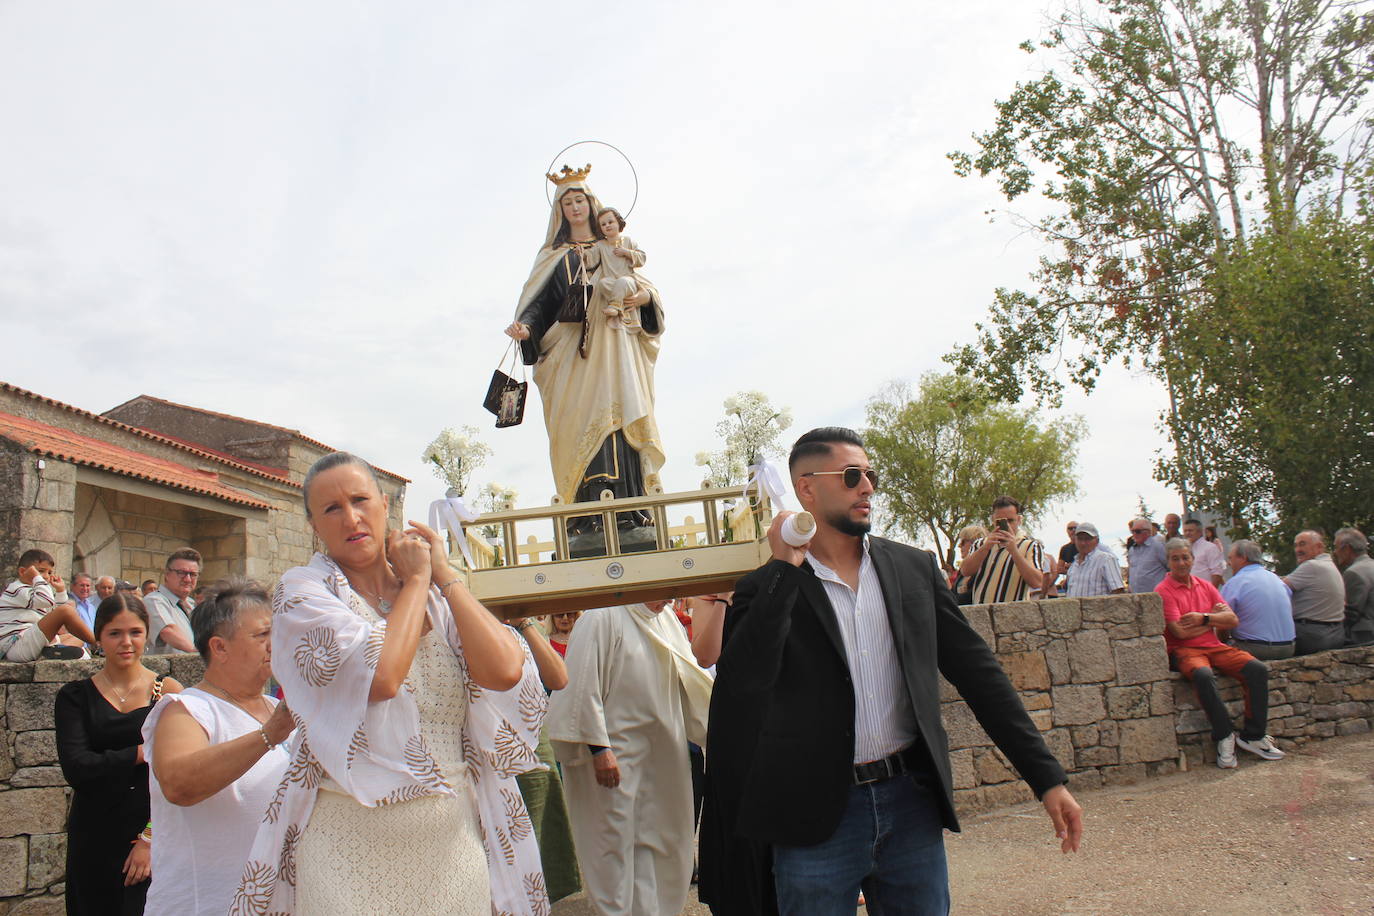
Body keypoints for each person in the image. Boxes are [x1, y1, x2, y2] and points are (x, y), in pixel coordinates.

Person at [702, 428, 1080, 916]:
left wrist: (1047, 779)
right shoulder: (768, 586)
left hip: (910, 806)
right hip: (814, 816)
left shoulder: (912, 569)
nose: (867, 487)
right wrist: (784, 569)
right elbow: (742, 685)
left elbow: (980, 675)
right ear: (806, 489)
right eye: (851, 476)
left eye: (870, 475)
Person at [234, 452, 541, 916]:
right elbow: (381, 678)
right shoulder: (304, 591)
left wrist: (444, 576)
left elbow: (504, 671)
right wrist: (416, 583)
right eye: (331, 509)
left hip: (451, 844)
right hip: (346, 846)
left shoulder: (437, 595)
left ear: (384, 504)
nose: (351, 518)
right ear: (314, 525)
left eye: (360, 500)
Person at [504, 168, 666, 526]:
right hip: (572, 356)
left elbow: (644, 288)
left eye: (580, 200)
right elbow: (539, 303)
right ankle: (585, 516)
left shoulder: (615, 246)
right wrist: (526, 329)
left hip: (615, 347)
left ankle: (631, 509)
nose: (575, 208)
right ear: (559, 211)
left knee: (619, 417)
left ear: (592, 205)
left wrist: (644, 298)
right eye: (568, 203)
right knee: (579, 424)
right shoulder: (554, 256)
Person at [548, 599, 714, 916]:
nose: (668, 599)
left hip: (662, 755)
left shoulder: (666, 618)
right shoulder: (601, 616)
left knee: (660, 841)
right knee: (613, 845)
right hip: (614, 758)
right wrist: (599, 749)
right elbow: (582, 685)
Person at [142, 578, 294, 916]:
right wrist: (269, 734)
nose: (275, 644)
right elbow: (179, 784)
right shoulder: (186, 710)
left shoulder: (277, 709)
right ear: (220, 648)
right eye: (262, 635)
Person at [55, 593, 183, 914]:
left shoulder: (168, 693)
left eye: (135, 632)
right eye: (115, 633)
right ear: (99, 637)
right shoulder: (75, 697)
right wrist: (141, 752)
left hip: (151, 834)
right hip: (93, 834)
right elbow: (78, 768)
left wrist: (149, 839)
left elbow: (179, 777)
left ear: (146, 634)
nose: (126, 642)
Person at [1155, 539, 1284, 768]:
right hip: (1184, 650)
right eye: (1175, 559)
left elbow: (1232, 620)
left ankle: (1253, 735)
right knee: (1203, 675)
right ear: (1168, 562)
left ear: (1192, 559)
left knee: (1256, 669)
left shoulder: (1205, 586)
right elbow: (1179, 632)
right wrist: (1213, 620)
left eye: (1185, 557)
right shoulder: (1163, 591)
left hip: (1214, 646)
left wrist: (1203, 618)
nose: (1181, 563)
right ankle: (1224, 735)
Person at [509, 615, 583, 906]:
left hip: (531, 742)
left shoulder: (530, 628)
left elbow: (558, 678)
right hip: (490, 744)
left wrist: (524, 624)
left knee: (538, 828)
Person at [1, 548, 96, 661]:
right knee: (66, 610)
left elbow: (55, 615)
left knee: (78, 638)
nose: (46, 576)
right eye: (41, 571)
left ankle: (51, 652)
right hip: (15, 645)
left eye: (50, 572)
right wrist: (37, 578)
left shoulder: (36, 593)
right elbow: (51, 603)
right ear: (22, 572)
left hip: (31, 641)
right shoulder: (17, 589)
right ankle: (98, 642)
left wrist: (60, 591)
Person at [957, 496, 1047, 604]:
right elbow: (965, 571)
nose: (1006, 526)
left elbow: (1037, 582)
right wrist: (985, 548)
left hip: (1013, 612)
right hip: (981, 610)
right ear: (992, 520)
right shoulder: (980, 544)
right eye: (1001, 522)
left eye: (1010, 520)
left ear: (1019, 520)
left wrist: (1014, 551)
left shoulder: (1031, 546)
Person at [1220, 540, 1296, 660]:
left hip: (1255, 649)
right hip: (1288, 647)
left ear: (1243, 558)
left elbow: (1222, 623)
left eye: (1231, 558)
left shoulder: (1235, 583)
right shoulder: (1277, 580)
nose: (1229, 563)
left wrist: (1221, 642)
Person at [1285, 530, 1346, 654]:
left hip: (1312, 635)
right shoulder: (1330, 565)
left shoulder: (1312, 566)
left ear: (1319, 547)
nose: (1298, 550)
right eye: (1296, 545)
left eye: (1302, 544)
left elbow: (1277, 588)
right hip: (1335, 633)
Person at [594, 206, 651, 332]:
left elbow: (642, 258)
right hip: (611, 282)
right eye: (603, 224)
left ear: (618, 222)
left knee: (623, 282)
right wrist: (582, 255)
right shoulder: (600, 245)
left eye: (610, 222)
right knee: (603, 283)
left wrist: (626, 252)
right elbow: (591, 259)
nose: (607, 226)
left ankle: (615, 306)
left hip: (629, 281)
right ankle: (621, 306)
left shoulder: (628, 241)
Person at [143, 548, 200, 653]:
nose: (187, 579)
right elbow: (168, 631)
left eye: (193, 574)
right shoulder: (153, 601)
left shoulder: (192, 605)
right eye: (181, 573)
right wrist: (196, 653)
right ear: (167, 574)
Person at [1333, 527, 1374, 646]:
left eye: (1336, 547)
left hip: (1363, 637)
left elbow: (1350, 613)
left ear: (1347, 549)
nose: (1335, 552)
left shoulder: (1353, 573)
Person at [1063, 523, 1125, 597]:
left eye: (1087, 539)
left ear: (1097, 541)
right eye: (1080, 539)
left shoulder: (1106, 560)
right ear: (1075, 540)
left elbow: (1118, 592)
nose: (1083, 543)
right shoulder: (1074, 565)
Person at [1125, 518, 1169, 594]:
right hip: (1136, 596)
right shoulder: (1132, 550)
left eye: (1137, 531)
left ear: (1148, 532)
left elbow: (1170, 568)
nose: (1134, 534)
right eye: (1132, 531)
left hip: (1155, 595)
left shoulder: (1158, 547)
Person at [949, 524, 987, 606]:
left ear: (975, 542)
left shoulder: (985, 568)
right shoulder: (962, 571)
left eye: (963, 542)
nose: (959, 546)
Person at [1184, 518, 1225, 586]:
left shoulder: (1210, 548)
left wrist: (1210, 591)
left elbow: (1217, 572)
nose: (1187, 533)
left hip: (1205, 589)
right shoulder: (1185, 549)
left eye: (1190, 530)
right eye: (1185, 531)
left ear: (1200, 532)